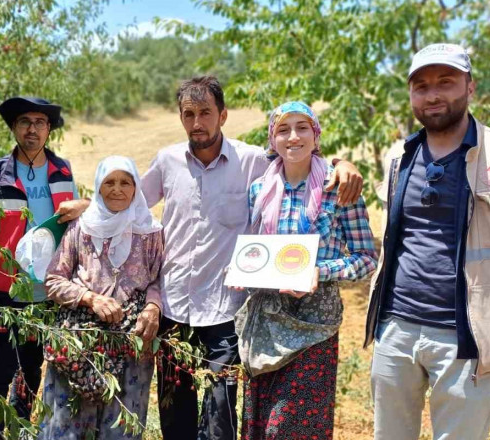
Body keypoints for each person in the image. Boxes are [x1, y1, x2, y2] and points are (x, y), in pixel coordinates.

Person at [140, 75, 365, 440]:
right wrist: (90, 207)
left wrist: (342, 162)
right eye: (188, 114)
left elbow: (300, 154)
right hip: (173, 306)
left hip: (226, 309)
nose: (197, 123)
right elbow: (132, 204)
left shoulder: (253, 163)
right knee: (173, 413)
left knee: (221, 417)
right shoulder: (166, 161)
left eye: (206, 113)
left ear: (223, 115)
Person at [364, 44, 490, 440]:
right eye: (421, 86)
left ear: (470, 88)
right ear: (411, 95)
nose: (432, 94)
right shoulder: (398, 156)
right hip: (395, 329)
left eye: (446, 82)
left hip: (466, 337)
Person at [237, 101, 377, 440]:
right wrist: (247, 271)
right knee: (262, 424)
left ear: (316, 137)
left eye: (302, 128)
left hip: (314, 324)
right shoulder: (259, 189)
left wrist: (319, 270)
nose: (293, 137)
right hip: (267, 319)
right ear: (272, 140)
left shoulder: (340, 189)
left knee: (290, 428)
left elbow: (366, 259)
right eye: (283, 130)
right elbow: (258, 251)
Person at [0, 96, 90, 436]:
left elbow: (72, 225)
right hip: (4, 285)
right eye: (24, 122)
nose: (32, 129)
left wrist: (83, 206)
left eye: (39, 123)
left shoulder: (62, 170)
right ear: (14, 128)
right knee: (4, 362)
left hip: (46, 287)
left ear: (49, 130)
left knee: (33, 365)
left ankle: (19, 426)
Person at [40, 156, 164, 440]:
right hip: (80, 340)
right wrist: (89, 298)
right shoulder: (81, 228)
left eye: (125, 182)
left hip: (131, 342)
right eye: (109, 182)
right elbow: (53, 280)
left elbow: (159, 279)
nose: (117, 189)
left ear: (136, 189)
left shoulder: (150, 231)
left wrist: (153, 307)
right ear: (98, 187)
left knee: (119, 428)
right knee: (68, 427)